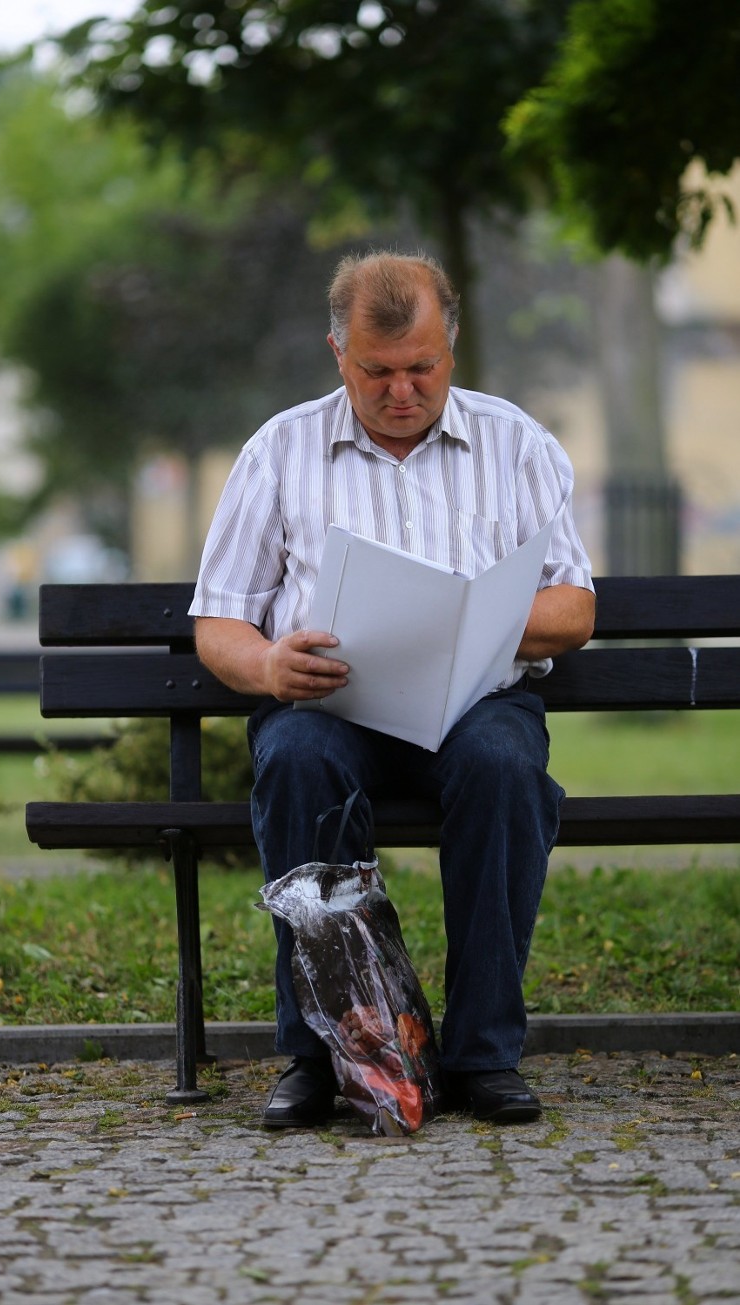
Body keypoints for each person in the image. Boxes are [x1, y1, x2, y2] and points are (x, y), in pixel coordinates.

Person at [190, 250, 595, 1128]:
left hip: (478, 702)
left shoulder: (515, 443)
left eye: (422, 368)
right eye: (378, 371)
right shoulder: (281, 450)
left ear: (450, 348)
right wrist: (265, 667)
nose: (402, 390)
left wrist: (480, 624)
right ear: (339, 352)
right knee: (295, 758)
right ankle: (318, 1056)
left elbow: (573, 606)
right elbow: (219, 619)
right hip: (332, 706)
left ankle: (484, 1055)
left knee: (504, 767)